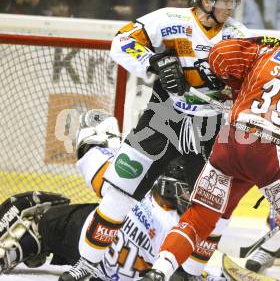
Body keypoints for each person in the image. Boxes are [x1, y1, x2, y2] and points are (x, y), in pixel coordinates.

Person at [60, 0, 250, 281]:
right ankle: (87, 265)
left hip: (210, 130)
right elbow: (122, 41)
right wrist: (154, 62)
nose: (230, 8)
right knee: (118, 193)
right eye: (224, 1)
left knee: (214, 214)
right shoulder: (168, 18)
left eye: (232, 1)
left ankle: (187, 275)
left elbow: (251, 84)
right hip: (163, 118)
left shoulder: (240, 37)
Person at [142, 26, 280, 281]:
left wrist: (242, 79)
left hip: (231, 141)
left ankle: (160, 271)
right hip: (272, 152)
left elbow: (219, 56)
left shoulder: (266, 51)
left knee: (200, 216)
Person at [0, 110, 223, 281]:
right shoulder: (190, 234)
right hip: (131, 268)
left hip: (92, 251)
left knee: (39, 212)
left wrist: (108, 138)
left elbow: (91, 141)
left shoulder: (132, 188)